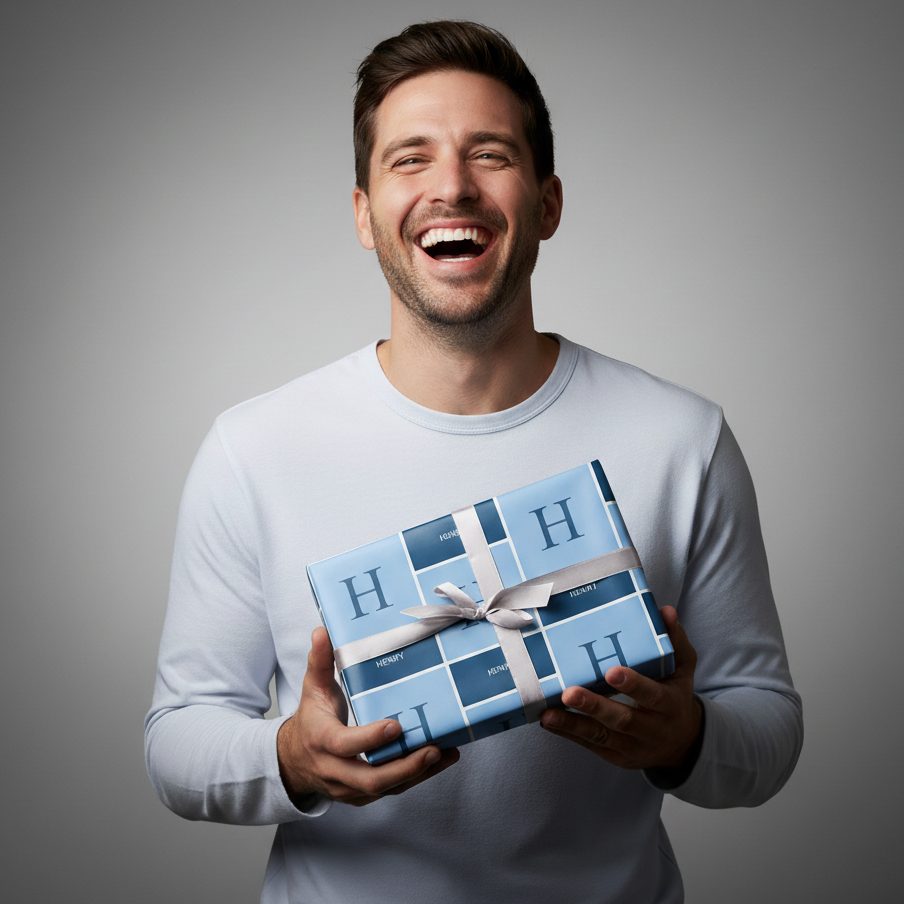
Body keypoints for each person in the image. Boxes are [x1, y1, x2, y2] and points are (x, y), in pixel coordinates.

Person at [145, 21, 802, 904]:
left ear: (549, 202)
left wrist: (686, 740)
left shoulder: (682, 439)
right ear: (363, 214)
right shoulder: (253, 449)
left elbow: (768, 734)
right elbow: (176, 742)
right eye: (408, 159)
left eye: (489, 154)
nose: (451, 187)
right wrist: (290, 759)